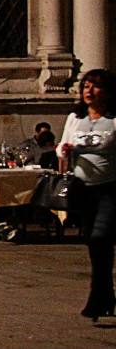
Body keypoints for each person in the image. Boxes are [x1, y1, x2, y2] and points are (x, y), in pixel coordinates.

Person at [59, 68, 116, 321]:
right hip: (83, 189)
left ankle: (98, 297)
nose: (89, 91)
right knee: (93, 242)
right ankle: (106, 295)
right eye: (85, 86)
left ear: (108, 91)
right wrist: (66, 149)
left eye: (96, 86)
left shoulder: (114, 120)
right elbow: (61, 148)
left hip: (110, 188)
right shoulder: (75, 118)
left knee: (100, 238)